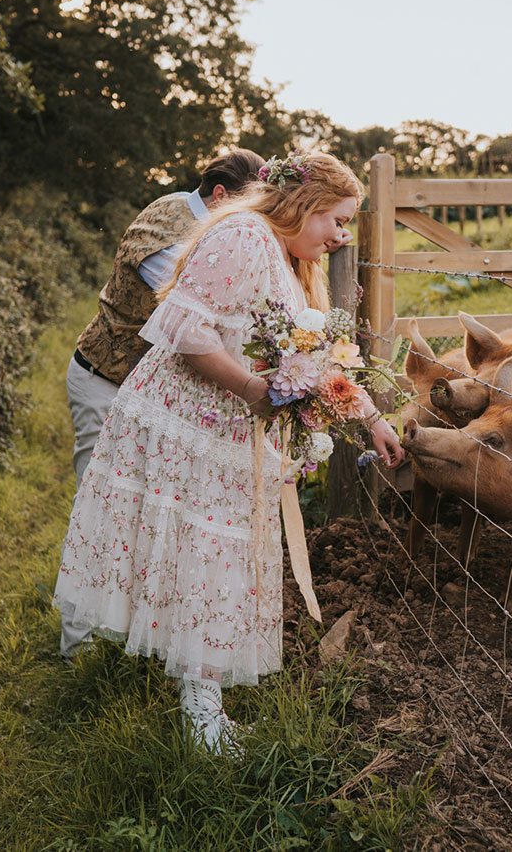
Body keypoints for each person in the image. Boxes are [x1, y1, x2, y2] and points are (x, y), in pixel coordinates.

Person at [53, 152, 404, 753]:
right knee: (209, 560)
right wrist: (253, 389)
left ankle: (203, 709)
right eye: (337, 220)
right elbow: (184, 330)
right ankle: (199, 720)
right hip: (185, 428)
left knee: (215, 562)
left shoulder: (286, 258)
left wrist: (370, 417)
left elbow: (313, 358)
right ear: (305, 204)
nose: (340, 237)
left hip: (225, 434)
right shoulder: (244, 234)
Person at [68, 148, 267, 483]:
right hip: (103, 379)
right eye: (248, 207)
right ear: (220, 195)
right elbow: (204, 305)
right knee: (95, 488)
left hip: (142, 389)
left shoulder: (191, 209)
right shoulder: (162, 235)